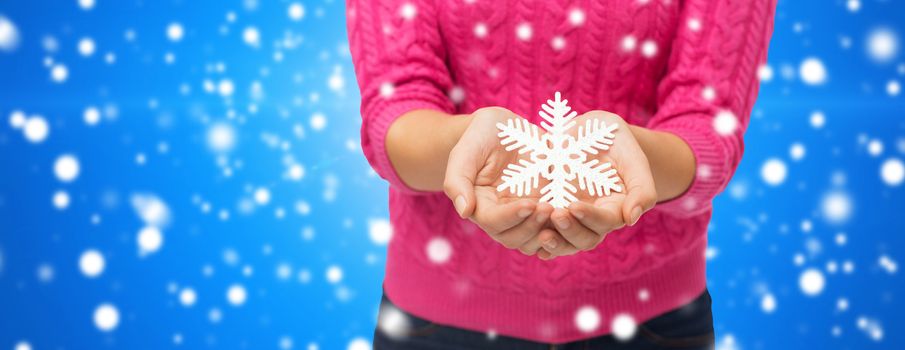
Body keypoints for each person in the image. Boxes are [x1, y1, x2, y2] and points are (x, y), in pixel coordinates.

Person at [347, 0, 775, 348]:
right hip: (435, 323)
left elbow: (708, 127)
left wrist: (630, 156)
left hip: (652, 323)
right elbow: (394, 108)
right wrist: (463, 146)